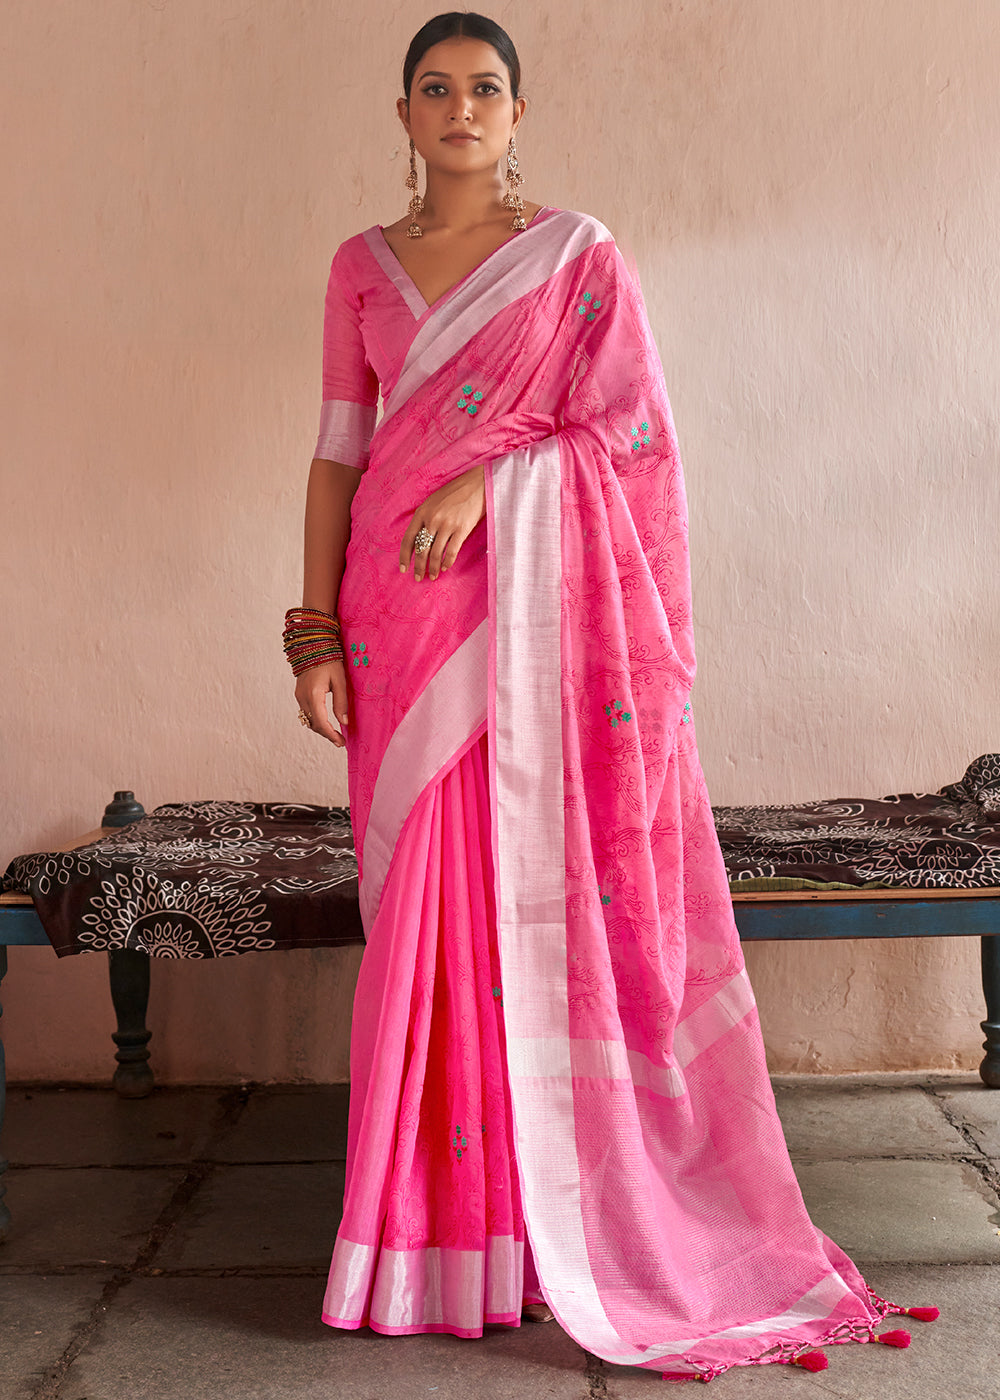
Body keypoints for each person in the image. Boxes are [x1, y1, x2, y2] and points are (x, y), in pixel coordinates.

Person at [285, 11, 930, 1382]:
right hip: (400, 635)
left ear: (519, 117)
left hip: (525, 630)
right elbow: (338, 461)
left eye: (487, 89)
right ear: (402, 117)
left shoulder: (574, 260)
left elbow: (629, 435)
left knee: (528, 908)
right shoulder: (358, 268)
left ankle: (545, 1227)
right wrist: (314, 633)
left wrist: (488, 483)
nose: (463, 108)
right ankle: (431, 1241)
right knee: (426, 919)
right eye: (437, 89)